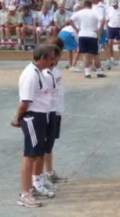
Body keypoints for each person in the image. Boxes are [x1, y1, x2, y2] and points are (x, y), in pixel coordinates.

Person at [11, 45, 56, 208]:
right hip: (33, 117)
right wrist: (17, 118)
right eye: (51, 59)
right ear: (42, 58)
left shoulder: (38, 72)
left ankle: (31, 188)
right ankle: (25, 194)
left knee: (36, 154)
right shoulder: (31, 75)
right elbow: (24, 102)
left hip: (40, 116)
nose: (53, 62)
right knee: (29, 155)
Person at [43, 39, 67, 185]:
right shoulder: (46, 71)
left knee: (49, 145)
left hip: (56, 110)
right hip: (47, 111)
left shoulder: (56, 70)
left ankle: (49, 172)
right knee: (43, 146)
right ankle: (39, 178)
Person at [69, 0, 106, 78]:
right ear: (91, 5)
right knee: (95, 55)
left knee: (85, 55)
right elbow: (102, 20)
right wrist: (99, 29)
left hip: (82, 35)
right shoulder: (94, 12)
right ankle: (99, 72)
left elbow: (70, 20)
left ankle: (87, 73)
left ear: (84, 5)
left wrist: (76, 29)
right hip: (92, 35)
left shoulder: (80, 12)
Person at [105, 0, 120, 68]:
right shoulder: (109, 9)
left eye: (115, 5)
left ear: (118, 3)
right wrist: (107, 28)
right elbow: (106, 20)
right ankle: (111, 58)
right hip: (111, 28)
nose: (114, 6)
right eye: (113, 5)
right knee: (110, 44)